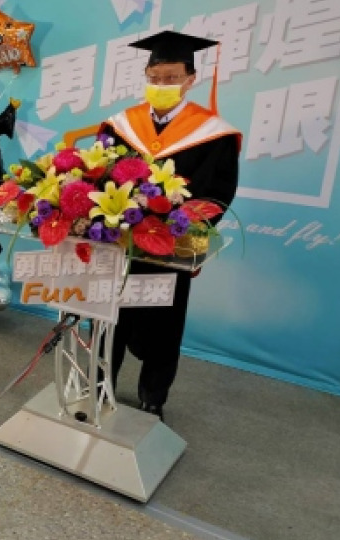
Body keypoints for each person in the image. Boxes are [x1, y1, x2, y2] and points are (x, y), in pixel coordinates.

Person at [98, 30, 242, 421]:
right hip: (121, 242)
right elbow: (101, 175)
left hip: (169, 246)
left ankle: (153, 397)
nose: (162, 85)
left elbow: (218, 192)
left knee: (164, 322)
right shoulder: (121, 125)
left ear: (190, 79)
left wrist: (181, 221)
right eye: (155, 77)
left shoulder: (213, 133)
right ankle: (99, 384)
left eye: (172, 77)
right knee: (109, 316)